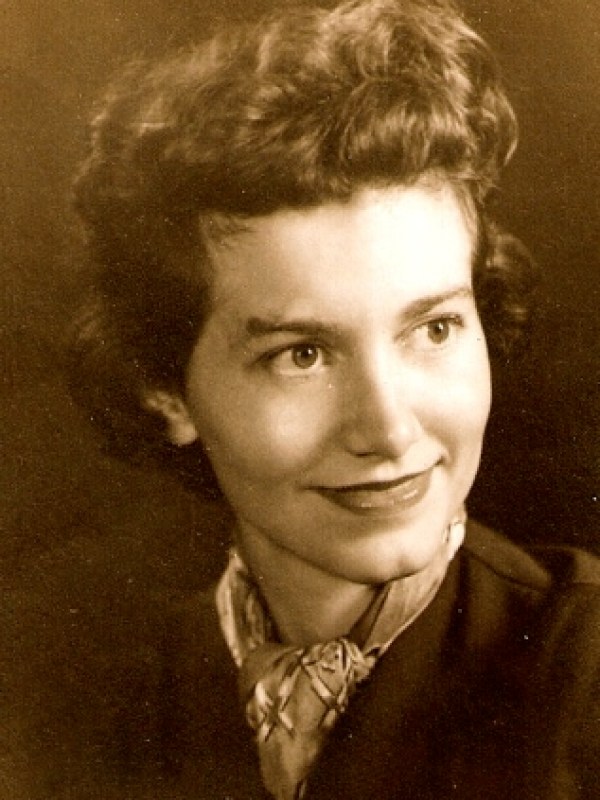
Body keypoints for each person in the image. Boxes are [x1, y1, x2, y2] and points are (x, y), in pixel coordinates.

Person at [63, 0, 598, 797]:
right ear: (164, 390)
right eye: (302, 355)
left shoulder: (582, 672)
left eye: (435, 329)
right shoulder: (96, 702)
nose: (389, 428)